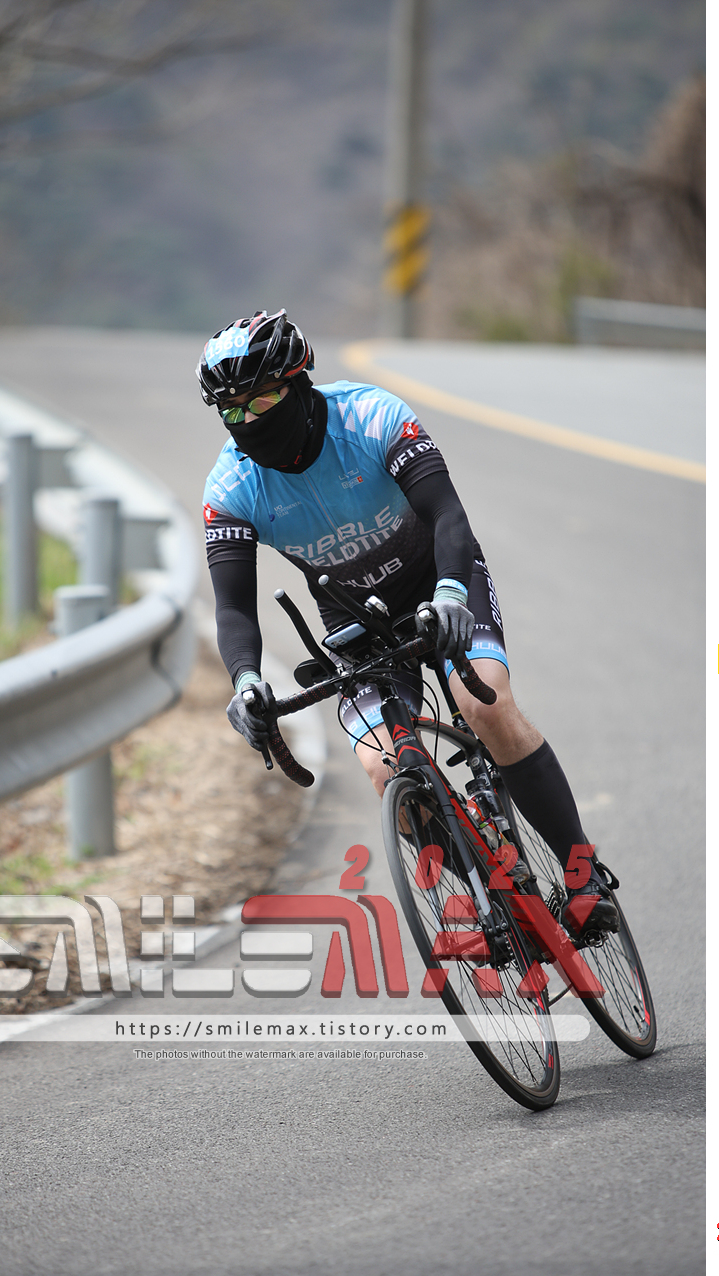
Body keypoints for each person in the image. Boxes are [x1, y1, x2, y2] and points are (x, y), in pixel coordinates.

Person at [198, 309, 617, 934]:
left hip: (438, 581)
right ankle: (494, 898)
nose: (250, 420)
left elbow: (448, 515)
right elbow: (233, 607)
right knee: (383, 768)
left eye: (263, 399)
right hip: (353, 619)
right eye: (233, 411)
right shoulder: (231, 487)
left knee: (485, 704)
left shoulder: (370, 416)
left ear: (301, 382)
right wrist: (245, 680)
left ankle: (583, 873)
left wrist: (450, 593)